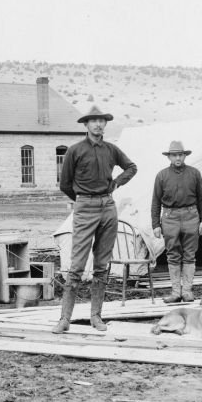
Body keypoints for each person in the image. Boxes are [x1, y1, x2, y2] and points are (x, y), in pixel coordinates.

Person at [54, 106, 137, 333]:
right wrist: (82, 200)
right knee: (77, 266)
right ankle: (64, 320)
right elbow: (65, 184)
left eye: (102, 121)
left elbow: (131, 167)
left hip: (108, 207)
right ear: (86, 125)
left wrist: (117, 182)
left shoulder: (111, 149)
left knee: (102, 265)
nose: (98, 125)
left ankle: (96, 317)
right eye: (94, 121)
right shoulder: (75, 150)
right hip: (84, 207)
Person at [151, 141, 202, 304]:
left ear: (185, 155)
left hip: (191, 215)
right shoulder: (161, 175)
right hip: (170, 217)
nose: (177, 157)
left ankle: (187, 291)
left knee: (190, 254)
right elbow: (155, 201)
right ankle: (176, 292)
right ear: (169, 157)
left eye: (180, 154)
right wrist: (156, 224)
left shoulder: (194, 173)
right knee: (173, 254)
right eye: (174, 155)